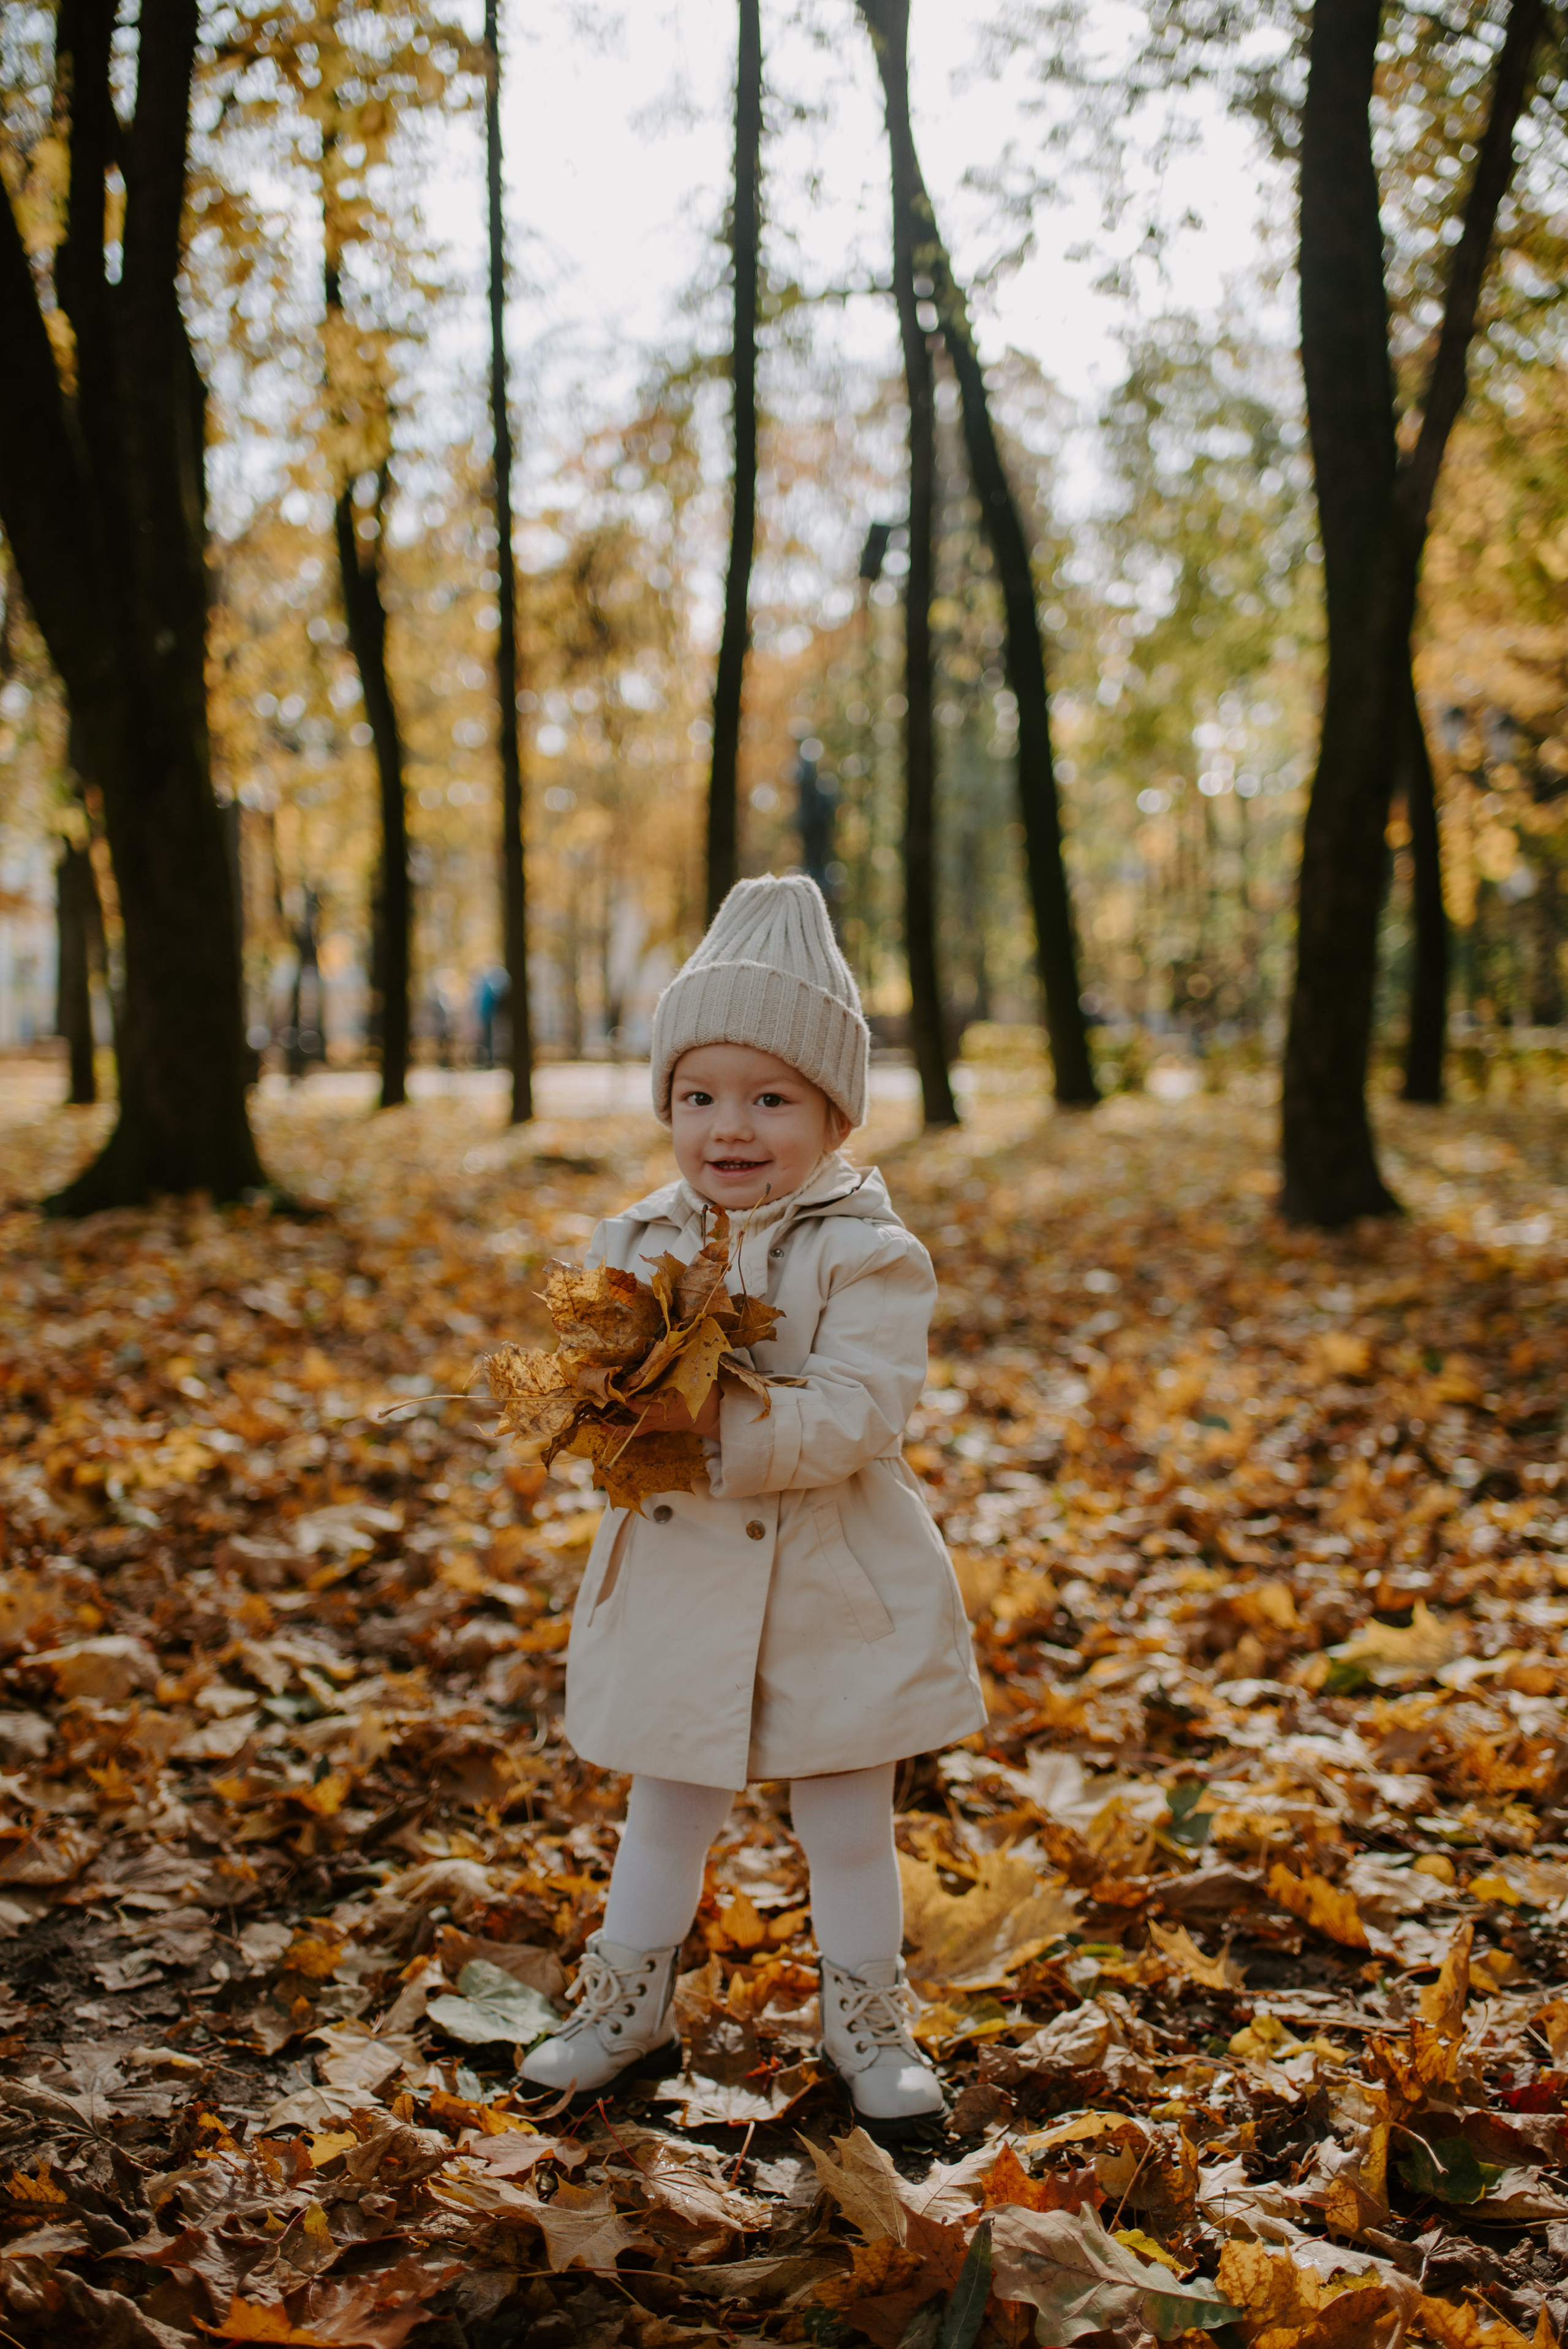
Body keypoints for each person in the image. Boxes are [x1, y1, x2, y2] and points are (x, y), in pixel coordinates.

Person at [520, 874, 986, 2138]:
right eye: (699, 1096)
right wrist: (604, 1403)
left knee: (845, 1819)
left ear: (832, 1115)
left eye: (770, 1098)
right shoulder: (636, 1238)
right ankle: (625, 2007)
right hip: (680, 1581)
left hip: (830, 1580)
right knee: (662, 1808)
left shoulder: (868, 1252)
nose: (730, 1127)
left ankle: (865, 2019)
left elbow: (858, 1410)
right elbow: (606, 1387)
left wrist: (717, 1416)